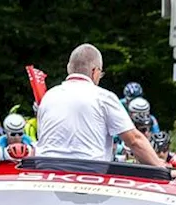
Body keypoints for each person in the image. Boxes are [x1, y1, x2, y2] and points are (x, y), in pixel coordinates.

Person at [36, 44, 164, 166]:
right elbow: (134, 141)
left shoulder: (48, 97)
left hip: (45, 170)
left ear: (69, 68)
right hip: (88, 173)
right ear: (95, 71)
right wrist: (163, 169)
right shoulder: (103, 98)